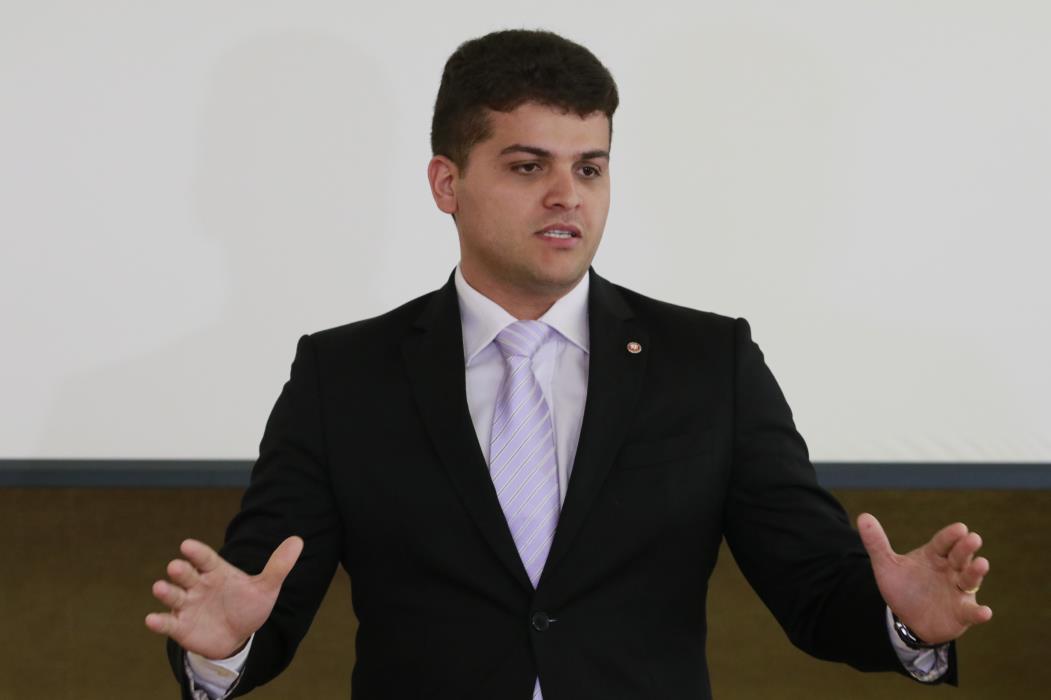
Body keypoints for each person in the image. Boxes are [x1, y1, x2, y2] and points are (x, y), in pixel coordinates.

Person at [145, 29, 992, 699]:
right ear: (447, 182)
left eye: (589, 167)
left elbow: (813, 591)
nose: (567, 196)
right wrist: (227, 650)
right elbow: (264, 600)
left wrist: (904, 621)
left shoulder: (707, 362)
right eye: (527, 167)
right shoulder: (343, 376)